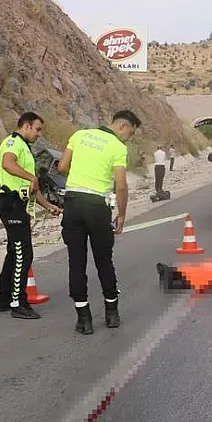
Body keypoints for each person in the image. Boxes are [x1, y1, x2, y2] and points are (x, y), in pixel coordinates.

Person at [58, 110, 140, 335]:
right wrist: (121, 214)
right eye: (130, 134)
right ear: (123, 127)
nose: (128, 138)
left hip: (73, 202)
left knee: (76, 262)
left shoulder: (79, 135)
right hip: (97, 206)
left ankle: (83, 319)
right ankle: (112, 314)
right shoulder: (117, 147)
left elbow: (62, 167)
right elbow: (121, 185)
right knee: (104, 260)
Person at [0, 112, 61, 319]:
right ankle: (18, 302)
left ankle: (5, 298)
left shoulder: (25, 147)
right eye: (37, 129)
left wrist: (47, 205)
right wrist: (31, 175)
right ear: (25, 125)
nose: (39, 134)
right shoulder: (13, 143)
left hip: (20, 203)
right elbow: (7, 164)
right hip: (11, 202)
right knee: (23, 253)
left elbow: (30, 187)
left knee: (14, 252)